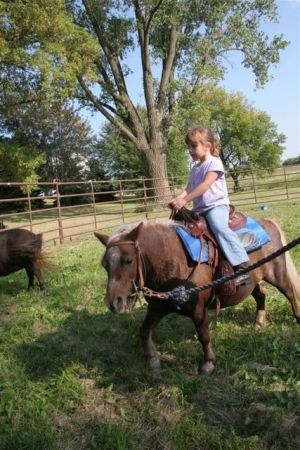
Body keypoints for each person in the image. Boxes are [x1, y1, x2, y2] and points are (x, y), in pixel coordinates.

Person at [169, 126, 251, 286]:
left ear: (207, 146)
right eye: (189, 147)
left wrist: (185, 200)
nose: (190, 150)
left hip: (216, 206)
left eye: (194, 146)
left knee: (219, 227)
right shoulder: (194, 168)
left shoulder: (214, 163)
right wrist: (177, 199)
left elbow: (206, 185)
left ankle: (242, 267)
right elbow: (189, 188)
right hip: (200, 209)